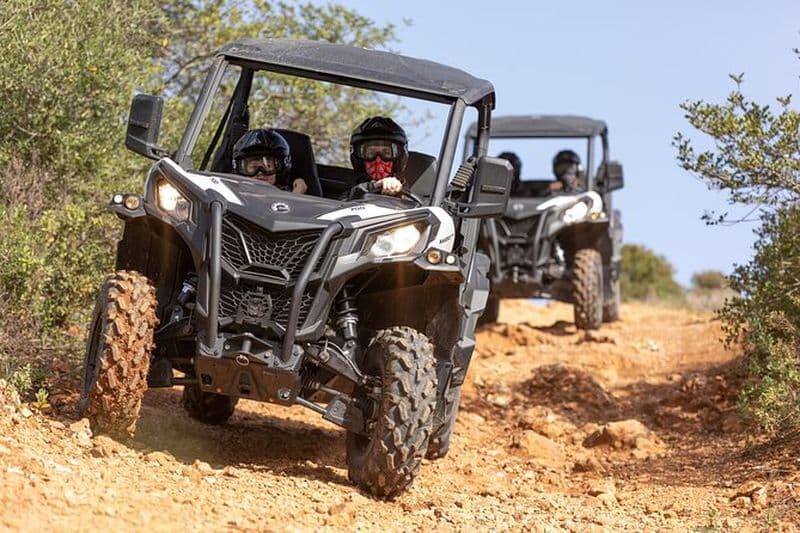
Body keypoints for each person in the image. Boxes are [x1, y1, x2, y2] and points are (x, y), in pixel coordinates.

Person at [232, 129, 308, 194]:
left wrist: (296, 196)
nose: (260, 173)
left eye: (267, 166)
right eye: (254, 167)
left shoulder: (289, 194)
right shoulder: (232, 194)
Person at [349, 116, 409, 196]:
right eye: (371, 153)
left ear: (398, 159)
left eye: (386, 153)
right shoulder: (347, 189)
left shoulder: (413, 196)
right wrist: (371, 187)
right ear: (359, 159)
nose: (378, 159)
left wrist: (398, 192)